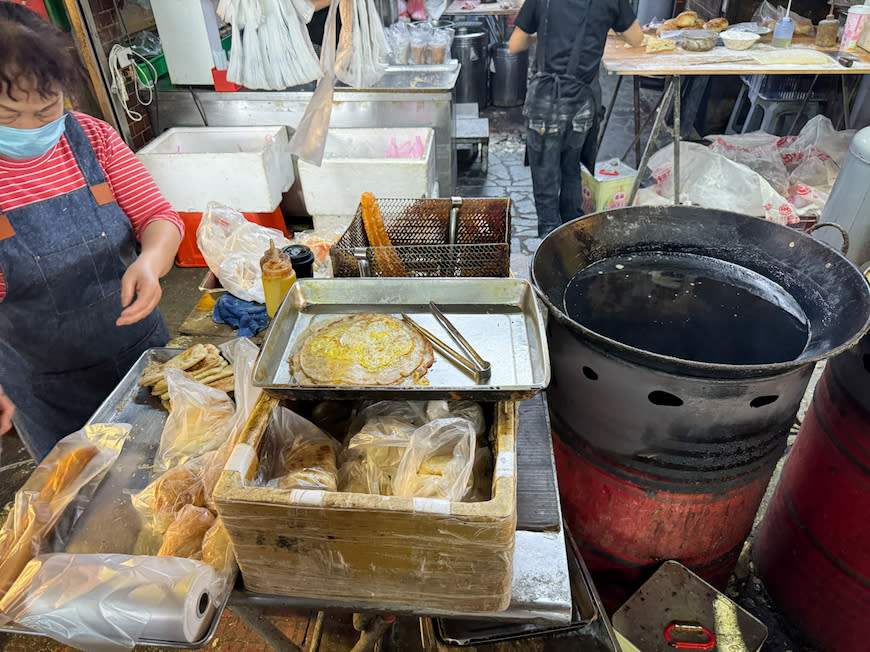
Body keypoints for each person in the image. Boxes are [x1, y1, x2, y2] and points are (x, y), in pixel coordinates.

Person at [0, 2, 183, 460]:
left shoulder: (91, 137)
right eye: (9, 117)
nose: (33, 127)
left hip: (139, 349)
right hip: (46, 386)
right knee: (84, 501)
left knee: (176, 469)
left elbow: (160, 218)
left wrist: (150, 262)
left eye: (47, 109)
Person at [509, 0, 643, 237]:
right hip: (582, 102)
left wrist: (539, 34)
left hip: (545, 102)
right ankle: (571, 235)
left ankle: (548, 238)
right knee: (570, 167)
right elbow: (636, 38)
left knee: (545, 176)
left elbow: (515, 44)